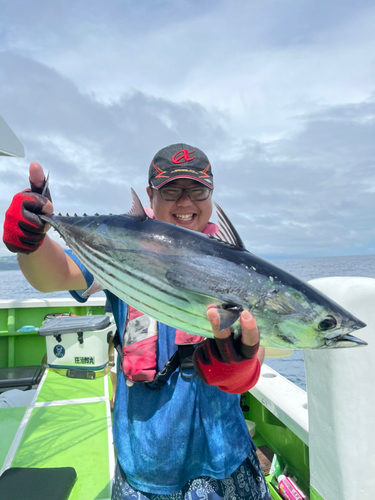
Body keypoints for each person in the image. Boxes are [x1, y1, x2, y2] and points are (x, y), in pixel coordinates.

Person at [3, 143, 270, 500]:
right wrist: (32, 241)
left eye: (198, 190)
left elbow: (261, 343)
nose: (186, 202)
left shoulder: (234, 263)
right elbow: (56, 275)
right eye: (171, 190)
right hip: (146, 467)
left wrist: (239, 365)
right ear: (150, 195)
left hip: (226, 458)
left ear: (212, 193)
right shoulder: (123, 245)